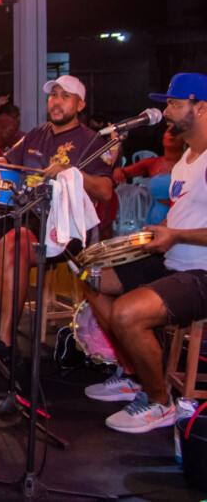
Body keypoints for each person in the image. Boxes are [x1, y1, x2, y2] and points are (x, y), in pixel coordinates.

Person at [81, 72, 207, 434]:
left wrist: (175, 234)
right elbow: (183, 214)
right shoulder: (187, 158)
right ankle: (134, 375)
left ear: (200, 108)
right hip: (173, 260)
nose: (165, 112)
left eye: (174, 104)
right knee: (92, 279)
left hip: (200, 273)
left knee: (127, 312)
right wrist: (159, 230)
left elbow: (184, 229)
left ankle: (159, 403)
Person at [0, 75, 114, 359]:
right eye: (53, 95)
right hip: (24, 214)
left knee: (13, 243)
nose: (56, 101)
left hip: (63, 225)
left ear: (80, 104)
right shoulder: (36, 134)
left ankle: (5, 345)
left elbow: (106, 190)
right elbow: (8, 163)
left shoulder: (91, 140)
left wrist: (73, 173)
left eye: (65, 96)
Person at [113, 129, 185, 225]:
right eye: (169, 132)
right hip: (157, 218)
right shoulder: (153, 163)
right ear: (163, 137)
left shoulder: (192, 165)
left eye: (176, 132)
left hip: (182, 219)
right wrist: (118, 170)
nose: (172, 135)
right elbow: (122, 172)